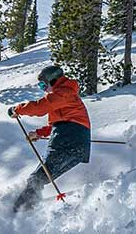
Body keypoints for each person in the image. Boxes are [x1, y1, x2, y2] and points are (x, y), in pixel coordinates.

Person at [7, 65, 91, 213]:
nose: (43, 89)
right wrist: (39, 133)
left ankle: (15, 213)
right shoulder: (65, 95)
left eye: (43, 85)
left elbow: (40, 108)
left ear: (53, 80)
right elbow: (57, 124)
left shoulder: (63, 93)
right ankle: (26, 210)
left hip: (67, 137)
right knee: (41, 178)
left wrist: (17, 109)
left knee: (37, 178)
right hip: (78, 146)